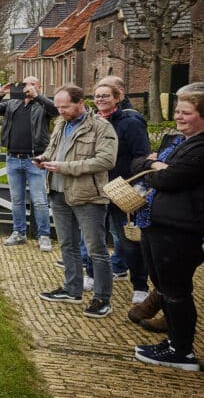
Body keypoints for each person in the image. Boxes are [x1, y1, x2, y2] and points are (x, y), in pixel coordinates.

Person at [131, 82, 204, 371]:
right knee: (164, 286)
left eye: (186, 112)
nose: (178, 116)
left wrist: (159, 168)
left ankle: (182, 352)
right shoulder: (182, 143)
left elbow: (169, 179)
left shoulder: (200, 148)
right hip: (159, 225)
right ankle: (174, 341)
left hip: (179, 228)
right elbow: (144, 166)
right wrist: (158, 168)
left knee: (176, 291)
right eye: (177, 111)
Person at [35, 85, 118, 318]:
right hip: (58, 192)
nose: (60, 111)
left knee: (96, 249)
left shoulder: (101, 127)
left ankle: (102, 298)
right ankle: (72, 290)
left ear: (81, 102)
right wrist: (43, 159)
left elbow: (105, 160)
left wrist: (65, 168)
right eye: (58, 107)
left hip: (88, 195)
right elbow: (53, 150)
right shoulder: (61, 124)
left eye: (65, 107)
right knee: (67, 244)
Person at [92, 82, 150, 305]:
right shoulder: (94, 121)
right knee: (93, 238)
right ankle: (93, 275)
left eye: (106, 96)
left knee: (127, 239)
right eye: (97, 96)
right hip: (96, 188)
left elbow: (141, 154)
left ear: (117, 98)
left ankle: (140, 284)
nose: (101, 99)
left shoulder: (130, 122)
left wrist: (139, 184)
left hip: (120, 188)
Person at [0, 76, 58, 250]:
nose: (27, 87)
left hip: (35, 160)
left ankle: (44, 235)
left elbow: (56, 111)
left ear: (39, 87)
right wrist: (0, 94)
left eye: (32, 84)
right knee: (16, 200)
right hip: (12, 159)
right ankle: (19, 233)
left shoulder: (42, 105)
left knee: (39, 200)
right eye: (25, 84)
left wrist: (37, 96)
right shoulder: (12, 104)